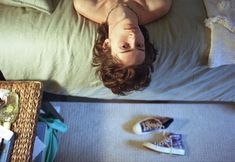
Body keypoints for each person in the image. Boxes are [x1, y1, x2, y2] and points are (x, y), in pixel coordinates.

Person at [73, 0, 172, 95]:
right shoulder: (159, 5)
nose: (133, 36)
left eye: (125, 46)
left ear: (106, 45)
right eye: (139, 45)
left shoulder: (85, 4)